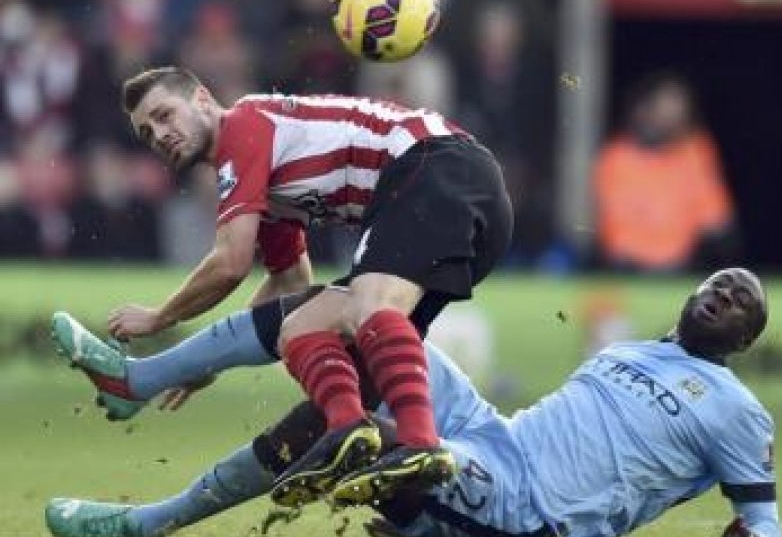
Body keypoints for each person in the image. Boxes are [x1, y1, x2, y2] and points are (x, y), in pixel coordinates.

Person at [46, 268, 782, 537]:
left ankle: (151, 524)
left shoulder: (737, 411)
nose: (724, 294)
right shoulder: (631, 351)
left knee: (352, 433)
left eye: (741, 300)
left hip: (526, 506)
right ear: (690, 297)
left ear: (746, 339)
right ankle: (136, 381)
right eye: (718, 284)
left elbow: (764, 523)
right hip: (495, 435)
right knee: (362, 310)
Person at [93, 65, 513, 504]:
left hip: (435, 163)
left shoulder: (243, 125)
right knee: (300, 327)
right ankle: (349, 429)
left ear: (201, 99)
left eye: (164, 115)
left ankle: (420, 444)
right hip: (466, 207)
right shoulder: (268, 188)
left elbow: (230, 263)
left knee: (366, 306)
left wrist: (159, 318)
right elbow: (290, 281)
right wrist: (208, 365)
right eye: (146, 133)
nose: (159, 134)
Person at [593, 72, 737, 272]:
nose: (671, 116)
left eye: (678, 109)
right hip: (628, 267)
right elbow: (616, 229)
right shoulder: (618, 157)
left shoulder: (694, 153)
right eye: (665, 107)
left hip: (683, 267)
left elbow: (716, 219)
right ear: (643, 110)